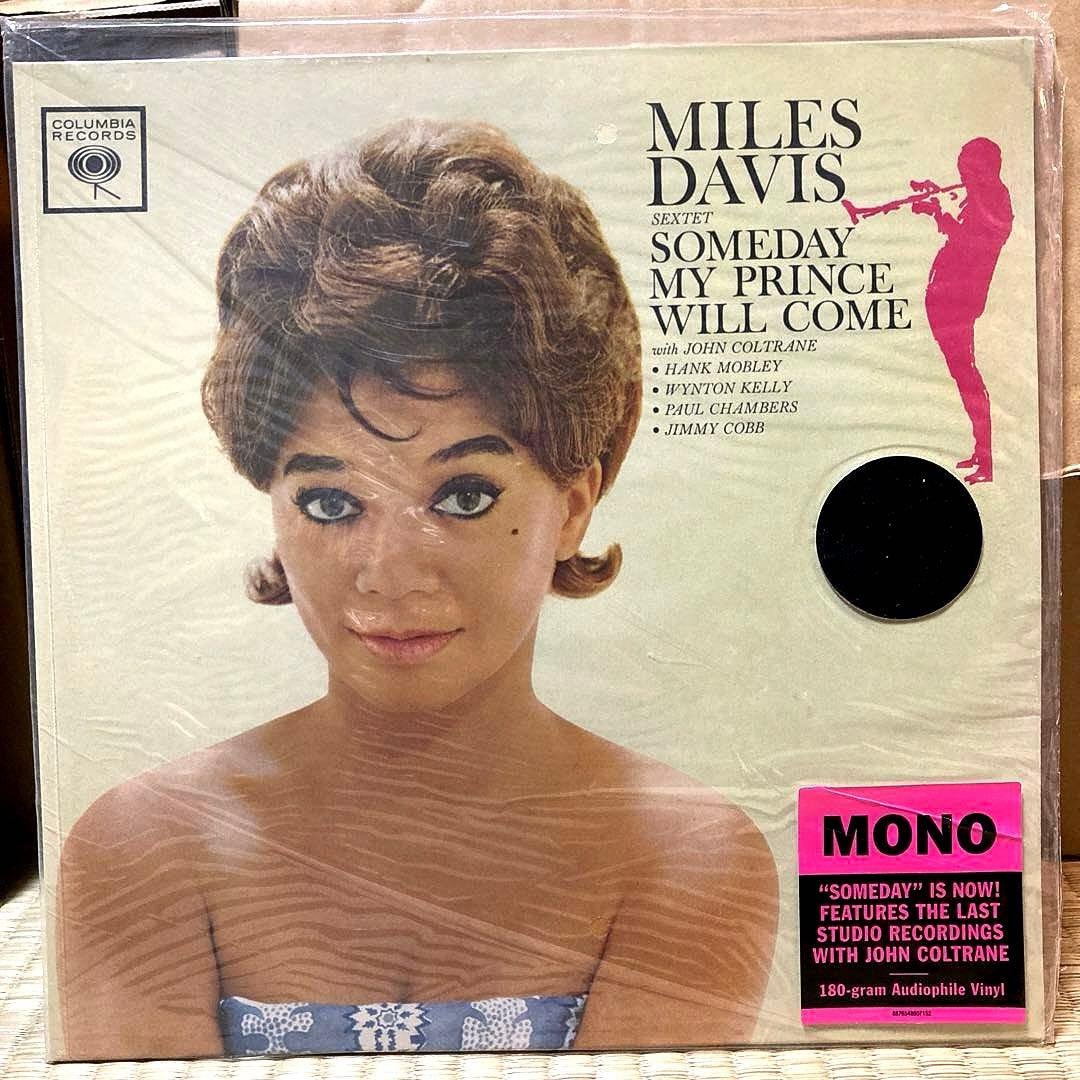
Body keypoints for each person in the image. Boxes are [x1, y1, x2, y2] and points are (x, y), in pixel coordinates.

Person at [55, 119, 778, 1061]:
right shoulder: (144, 845)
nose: (389, 572)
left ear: (572, 505)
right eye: (329, 502)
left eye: (464, 495)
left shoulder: (685, 856)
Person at [912, 137, 1013, 485]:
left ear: (984, 169)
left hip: (958, 303)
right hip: (948, 300)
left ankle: (987, 460)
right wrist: (937, 201)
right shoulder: (984, 197)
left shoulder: (993, 201)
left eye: (968, 172)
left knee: (967, 378)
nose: (963, 178)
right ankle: (981, 453)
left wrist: (937, 212)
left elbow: (970, 243)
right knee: (964, 377)